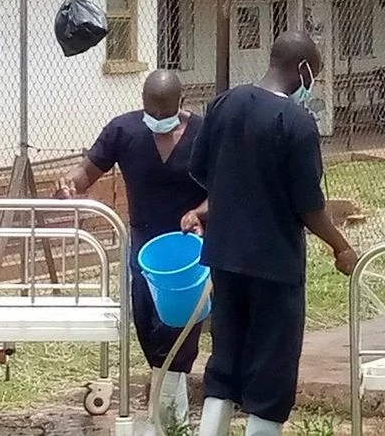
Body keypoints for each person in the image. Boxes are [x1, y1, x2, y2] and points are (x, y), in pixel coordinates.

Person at [186, 31, 358, 436]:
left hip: (225, 256)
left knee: (225, 356)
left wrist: (234, 196)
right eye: (314, 74)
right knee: (272, 365)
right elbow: (308, 206)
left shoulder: (223, 104)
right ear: (303, 69)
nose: (311, 82)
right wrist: (342, 247)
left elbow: (200, 170)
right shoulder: (296, 122)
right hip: (274, 264)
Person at [54, 70, 207, 428]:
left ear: (182, 103)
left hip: (187, 248)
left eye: (165, 112)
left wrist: (201, 212)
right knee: (148, 327)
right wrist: (69, 185)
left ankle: (171, 421)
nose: (158, 119)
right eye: (151, 112)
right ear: (142, 104)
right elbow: (87, 172)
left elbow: (224, 187)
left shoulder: (204, 134)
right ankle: (165, 414)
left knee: (178, 330)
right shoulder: (124, 131)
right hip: (143, 247)